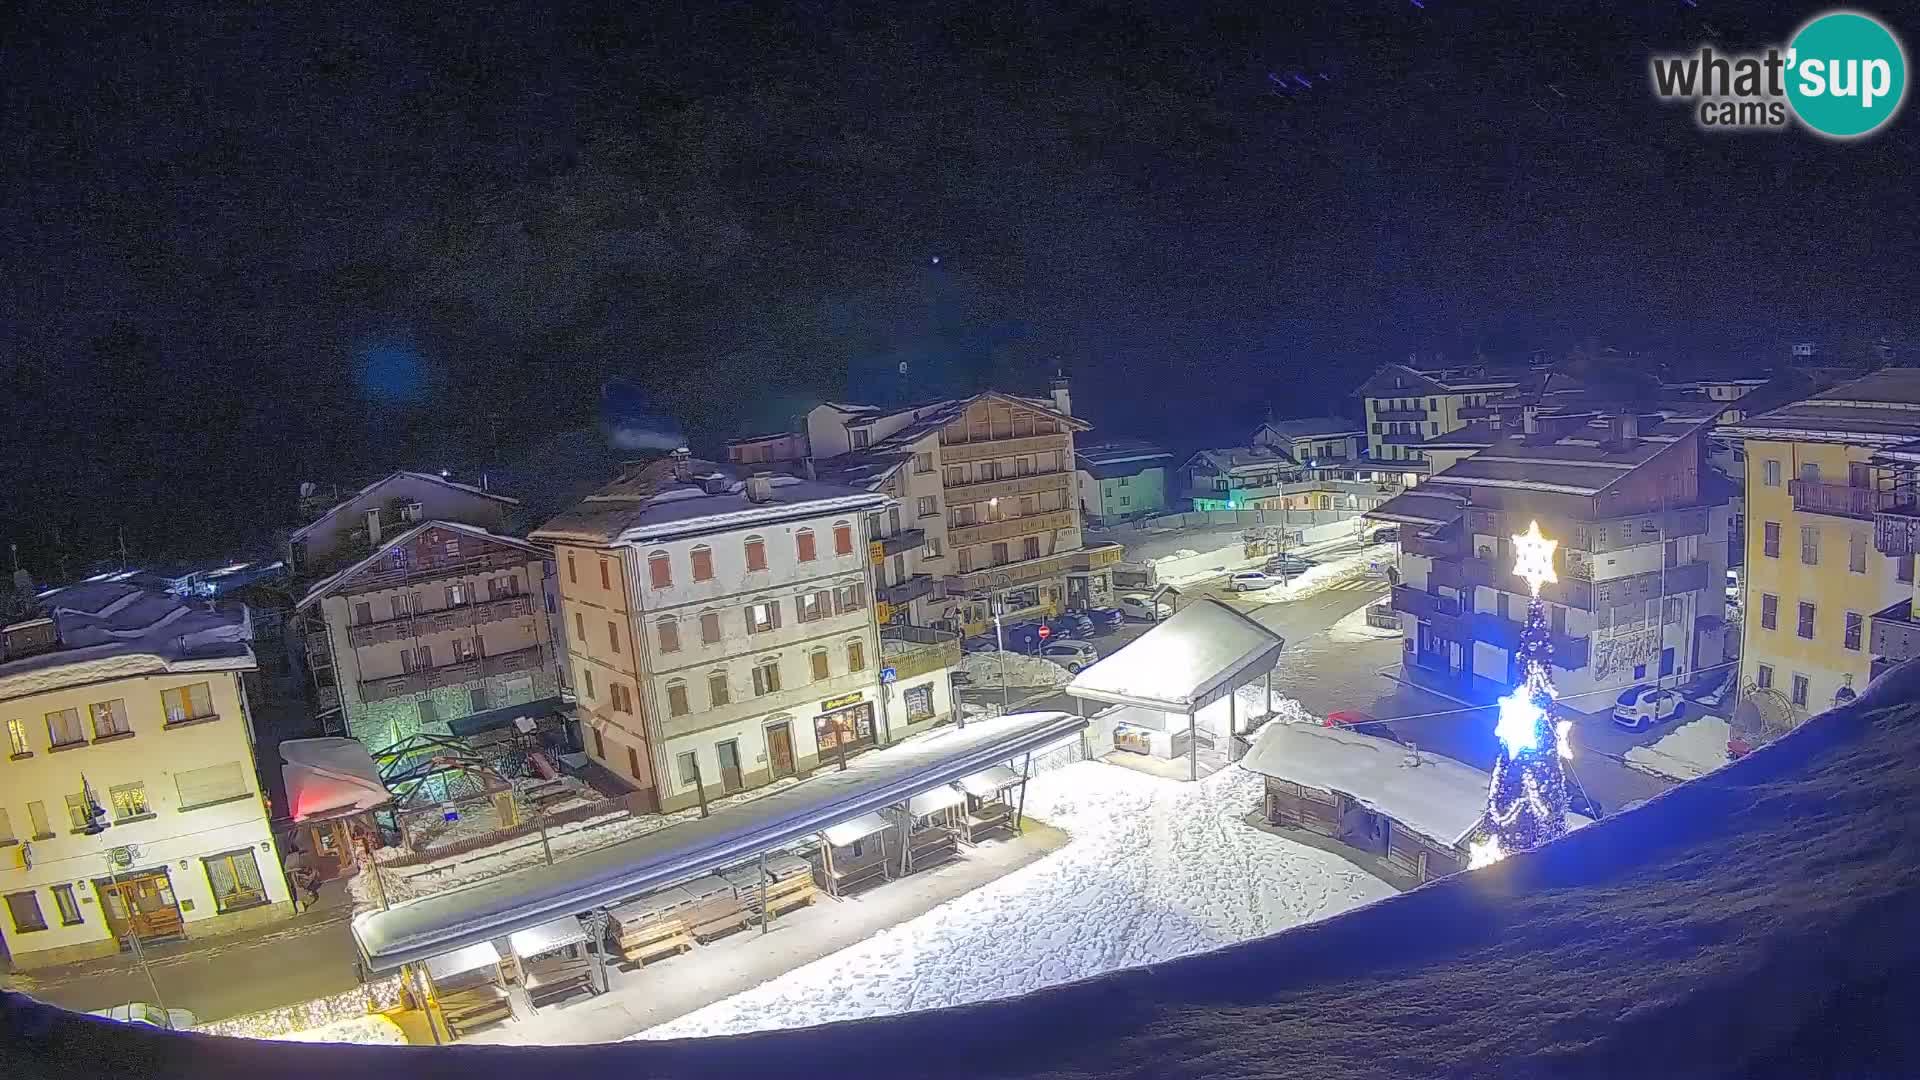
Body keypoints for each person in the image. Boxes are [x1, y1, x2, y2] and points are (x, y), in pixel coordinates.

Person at [284, 843, 321, 908]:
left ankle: (303, 903)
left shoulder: (289, 858)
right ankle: (303, 902)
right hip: (298, 877)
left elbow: (289, 870)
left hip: (295, 879)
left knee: (297, 883)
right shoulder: (298, 857)